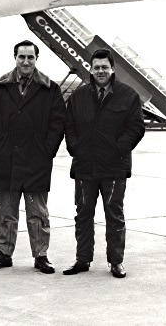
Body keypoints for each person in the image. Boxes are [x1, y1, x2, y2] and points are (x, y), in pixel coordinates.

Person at [0, 40, 66, 273]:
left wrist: (46, 150)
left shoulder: (50, 89)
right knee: (6, 211)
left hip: (36, 160)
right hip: (5, 158)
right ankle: (4, 253)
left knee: (37, 212)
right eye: (22, 57)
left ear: (37, 59)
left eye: (30, 57)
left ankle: (41, 255)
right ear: (15, 58)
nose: (26, 61)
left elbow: (58, 123)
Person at [62, 48, 145, 278]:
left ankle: (116, 261)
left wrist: (120, 147)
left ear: (113, 69)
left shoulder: (128, 96)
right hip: (84, 166)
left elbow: (136, 127)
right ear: (90, 69)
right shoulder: (79, 96)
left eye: (104, 67)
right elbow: (69, 126)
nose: (100, 71)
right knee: (83, 214)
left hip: (114, 167)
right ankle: (82, 259)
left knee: (114, 215)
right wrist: (75, 147)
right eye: (96, 67)